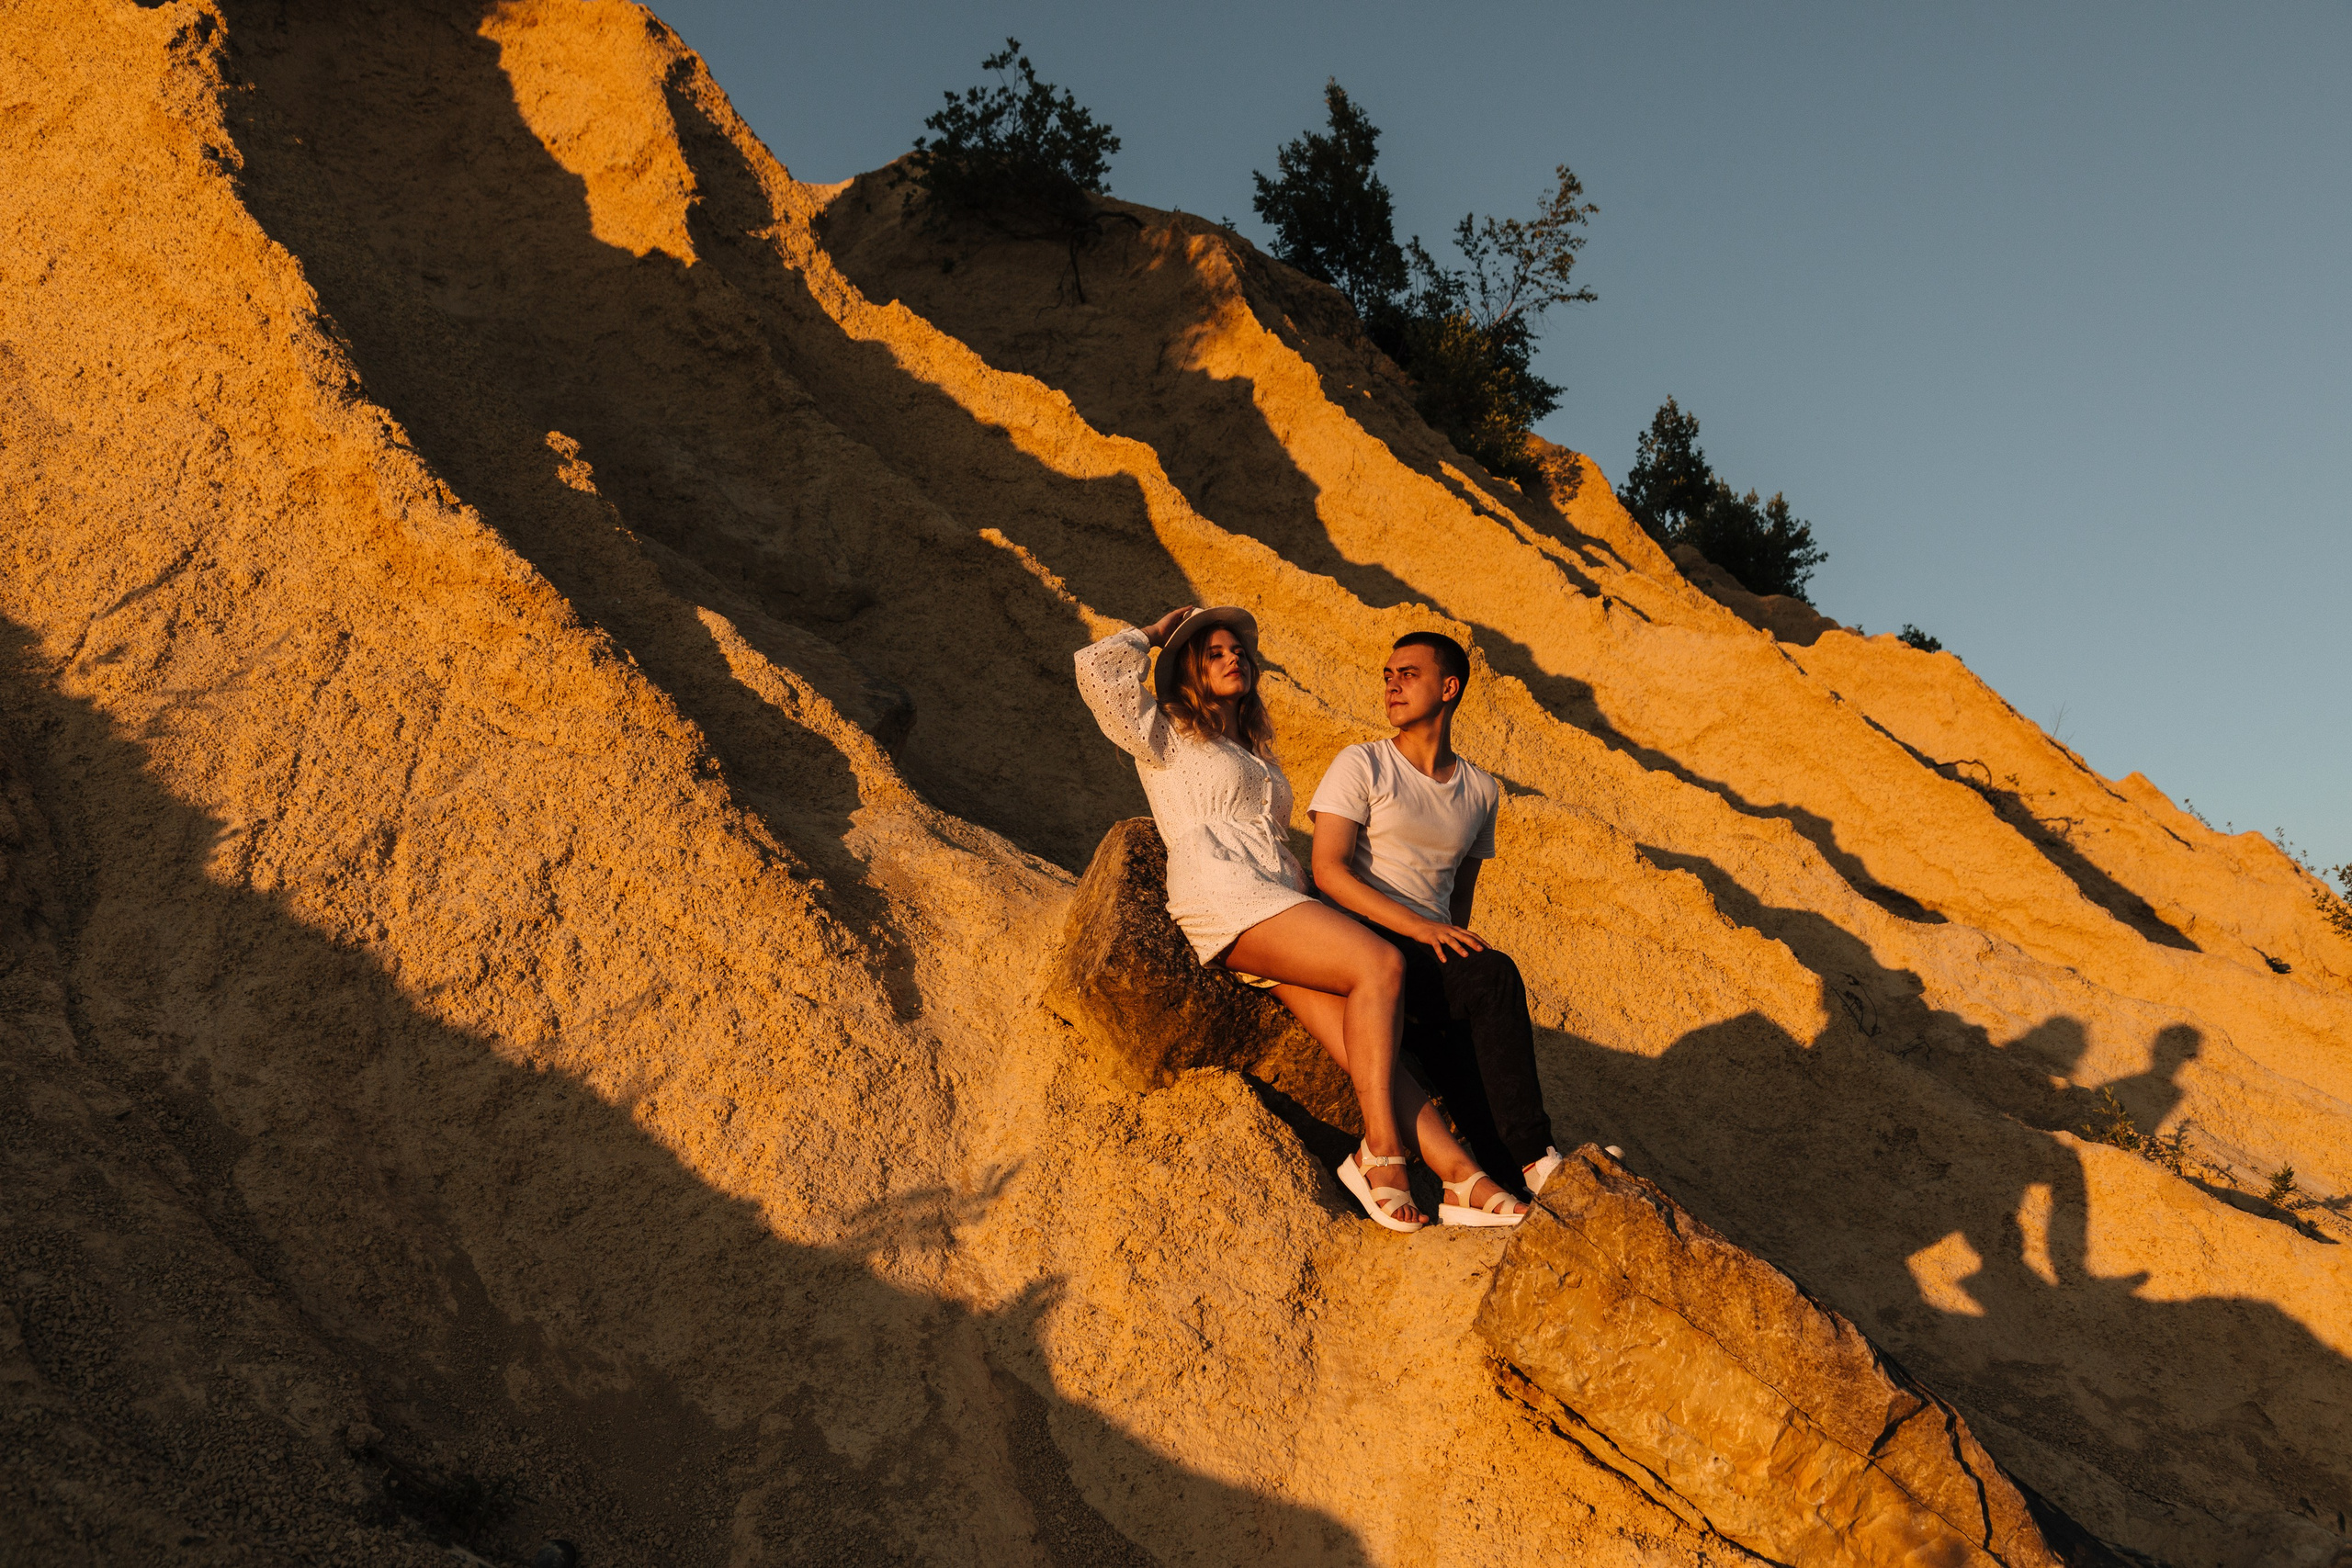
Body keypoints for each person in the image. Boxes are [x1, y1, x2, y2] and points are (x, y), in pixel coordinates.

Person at [1074, 607, 1527, 1231]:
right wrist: (1153, 636)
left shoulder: (1252, 751)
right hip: (1223, 891)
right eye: (1214, 653)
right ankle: (1381, 1155)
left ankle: (1459, 1175)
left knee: (1366, 1043)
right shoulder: (1167, 733)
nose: (1234, 658)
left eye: (1239, 651)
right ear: (1187, 671)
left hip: (1279, 895)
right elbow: (1095, 671)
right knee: (1381, 963)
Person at [1306, 632, 1563, 1206]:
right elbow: (1327, 870)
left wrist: (1441, 942)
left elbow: (1456, 902)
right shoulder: (1363, 762)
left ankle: (1515, 1177)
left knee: (1468, 1032)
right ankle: (1536, 1156)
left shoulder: (1481, 790)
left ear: (1448, 688)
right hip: (1361, 936)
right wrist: (1421, 930)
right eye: (1388, 674)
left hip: (1428, 949)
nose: (1392, 683)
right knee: (1492, 974)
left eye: (1409, 673)